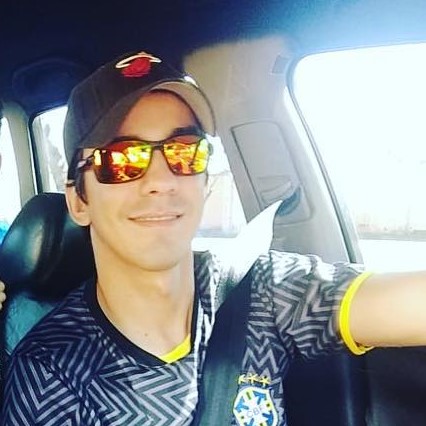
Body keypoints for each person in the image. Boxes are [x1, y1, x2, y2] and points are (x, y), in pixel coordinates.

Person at [2, 50, 426, 425]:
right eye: (122, 159)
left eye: (185, 152)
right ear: (79, 201)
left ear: (204, 182)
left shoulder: (263, 290)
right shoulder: (48, 372)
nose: (162, 180)